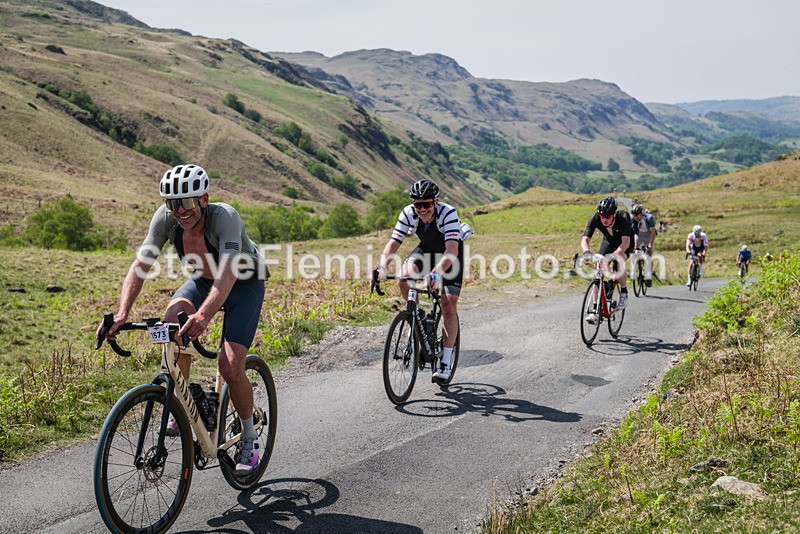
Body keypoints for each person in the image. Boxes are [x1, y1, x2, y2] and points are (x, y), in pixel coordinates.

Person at [96, 164, 269, 476]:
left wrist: (204, 315)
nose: (180, 211)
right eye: (172, 203)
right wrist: (122, 314)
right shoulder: (165, 220)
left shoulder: (224, 217)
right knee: (170, 323)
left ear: (203, 199)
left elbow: (229, 273)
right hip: (205, 279)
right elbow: (141, 265)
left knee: (230, 367)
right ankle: (190, 401)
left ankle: (249, 436)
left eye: (186, 202)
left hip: (244, 283)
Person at [377, 179, 465, 381]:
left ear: (435, 202)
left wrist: (436, 273)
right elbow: (393, 243)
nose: (422, 209)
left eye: (426, 204)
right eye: (418, 204)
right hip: (425, 251)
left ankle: (445, 360)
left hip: (450, 255)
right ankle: (416, 317)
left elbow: (451, 249)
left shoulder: (448, 213)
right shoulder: (409, 213)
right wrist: (382, 267)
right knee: (403, 278)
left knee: (448, 304)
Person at [580, 196, 633, 322]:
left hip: (624, 243)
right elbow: (584, 240)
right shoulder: (595, 218)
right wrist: (586, 252)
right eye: (602, 216)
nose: (604, 220)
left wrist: (612, 257)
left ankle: (624, 292)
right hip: (608, 242)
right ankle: (594, 310)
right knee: (598, 269)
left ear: (614, 214)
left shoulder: (623, 217)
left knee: (618, 263)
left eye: (608, 217)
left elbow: (625, 243)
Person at [630, 204, 657, 286]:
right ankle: (634, 270)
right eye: (634, 215)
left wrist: (650, 244)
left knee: (648, 256)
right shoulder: (632, 218)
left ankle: (649, 274)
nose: (636, 217)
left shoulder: (649, 218)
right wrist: (634, 245)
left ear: (641, 213)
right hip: (639, 235)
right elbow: (632, 231)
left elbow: (653, 232)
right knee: (633, 252)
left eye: (637, 215)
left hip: (649, 235)